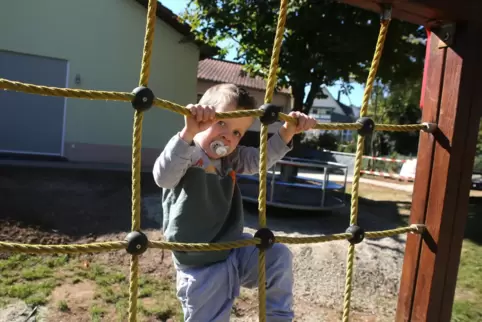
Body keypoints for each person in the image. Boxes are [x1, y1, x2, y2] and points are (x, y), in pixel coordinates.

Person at [152, 83, 317, 321]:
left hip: (232, 249)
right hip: (200, 265)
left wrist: (287, 132)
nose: (228, 137)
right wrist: (188, 133)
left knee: (277, 256)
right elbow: (163, 178)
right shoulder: (186, 151)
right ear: (203, 117)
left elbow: (259, 160)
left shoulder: (231, 157)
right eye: (222, 123)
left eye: (237, 133)